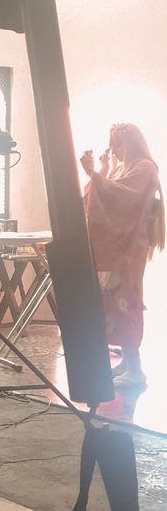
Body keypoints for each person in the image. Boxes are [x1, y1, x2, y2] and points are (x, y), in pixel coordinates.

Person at [80, 122, 165, 388]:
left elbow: (118, 198)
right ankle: (128, 363)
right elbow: (102, 197)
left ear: (131, 143)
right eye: (112, 144)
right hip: (118, 246)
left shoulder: (145, 167)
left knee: (126, 301)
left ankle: (136, 371)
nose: (114, 149)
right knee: (112, 301)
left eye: (117, 144)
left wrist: (94, 173)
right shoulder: (124, 168)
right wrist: (103, 171)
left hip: (130, 248)